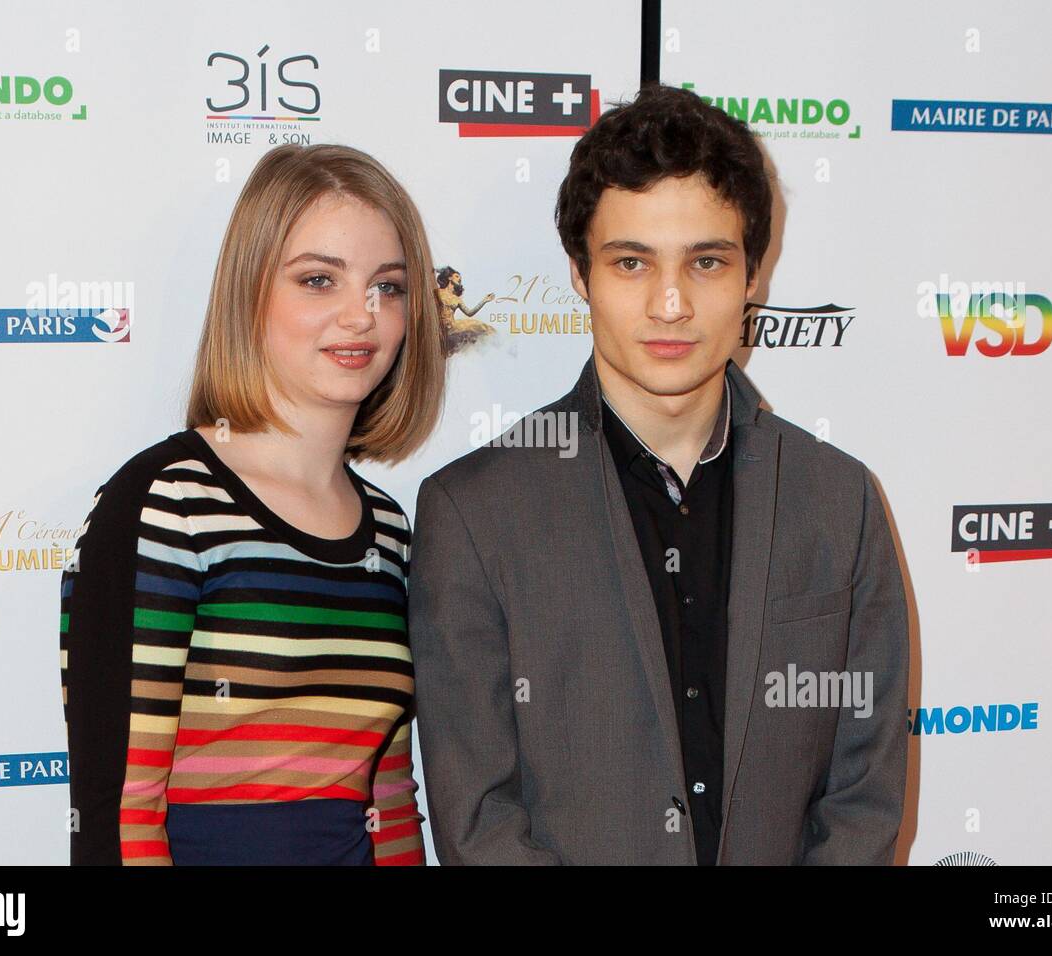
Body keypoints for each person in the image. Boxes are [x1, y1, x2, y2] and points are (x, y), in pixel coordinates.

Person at [407, 84, 910, 865]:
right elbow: (479, 818)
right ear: (580, 274)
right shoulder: (474, 514)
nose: (670, 304)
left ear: (753, 278)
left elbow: (864, 797)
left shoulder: (839, 500)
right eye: (632, 262)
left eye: (706, 262)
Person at [58, 143, 443, 865]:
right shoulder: (166, 504)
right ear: (250, 291)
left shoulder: (390, 530)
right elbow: (119, 817)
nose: (360, 316)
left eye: (387, 287)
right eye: (319, 280)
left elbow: (391, 802)